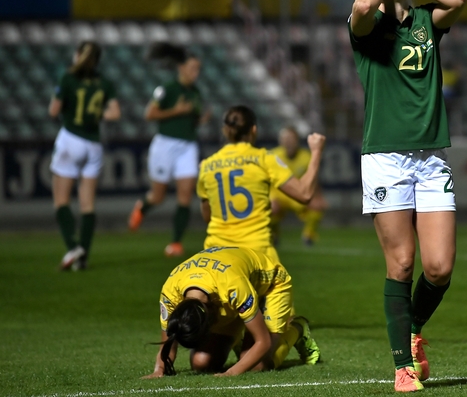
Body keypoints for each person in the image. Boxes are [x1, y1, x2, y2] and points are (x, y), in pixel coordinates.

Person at [348, 0, 467, 392]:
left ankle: (413, 327)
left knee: (438, 269)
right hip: (385, 158)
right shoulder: (367, 26)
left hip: (430, 158)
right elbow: (361, 10)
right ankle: (402, 367)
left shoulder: (425, 22)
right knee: (401, 263)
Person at [141, 245, 318, 378]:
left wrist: (232, 372)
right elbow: (169, 340)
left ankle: (297, 328)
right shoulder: (170, 294)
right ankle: (242, 334)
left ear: (209, 318)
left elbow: (262, 341)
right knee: (201, 363)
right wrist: (160, 370)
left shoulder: (233, 286)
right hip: (226, 296)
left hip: (271, 286)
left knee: (259, 364)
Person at [197, 107, 325, 268]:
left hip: (217, 256)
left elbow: (207, 217)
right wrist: (316, 151)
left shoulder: (206, 166)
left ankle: (307, 235)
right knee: (278, 288)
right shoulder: (265, 159)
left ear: (225, 130)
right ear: (254, 129)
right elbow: (305, 193)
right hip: (257, 251)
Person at [128, 42, 210, 257]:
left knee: (185, 195)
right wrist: (176, 110)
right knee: (158, 196)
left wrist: (200, 120)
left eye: (198, 69)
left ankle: (175, 243)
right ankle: (142, 208)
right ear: (181, 67)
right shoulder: (167, 89)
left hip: (188, 146)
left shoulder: (196, 92)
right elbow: (150, 114)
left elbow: (190, 121)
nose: (196, 72)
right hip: (165, 144)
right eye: (193, 68)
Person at [49, 41, 121, 271]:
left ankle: (73, 247)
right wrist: (96, 114)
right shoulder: (105, 83)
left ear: (78, 54)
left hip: (71, 139)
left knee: (61, 199)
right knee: (87, 204)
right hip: (94, 144)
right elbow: (115, 113)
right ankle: (84, 257)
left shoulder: (68, 78)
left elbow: (53, 110)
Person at [269, 126, 328, 247]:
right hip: (278, 194)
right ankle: (274, 234)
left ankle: (308, 236)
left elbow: (313, 180)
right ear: (280, 141)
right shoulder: (273, 155)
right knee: (271, 207)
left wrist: (318, 196)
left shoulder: (306, 157)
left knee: (316, 206)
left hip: (297, 194)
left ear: (297, 141)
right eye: (286, 139)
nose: (288, 142)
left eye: (291, 139)